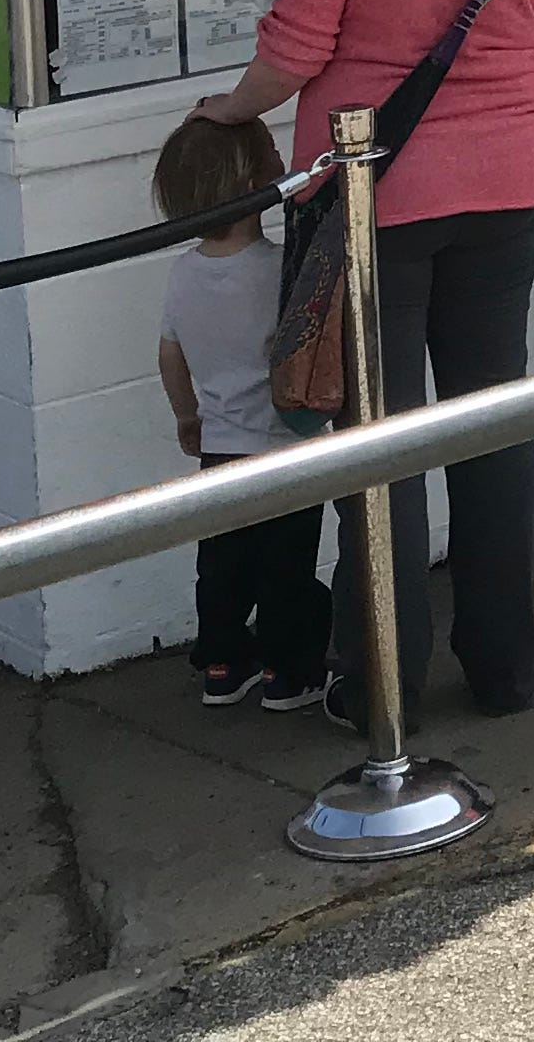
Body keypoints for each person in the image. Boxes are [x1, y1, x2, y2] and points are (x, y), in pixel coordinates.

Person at [192, 0, 534, 721]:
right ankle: (505, 670)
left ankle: (382, 687)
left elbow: (296, 49)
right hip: (506, 198)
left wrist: (229, 110)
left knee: (381, 449)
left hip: (373, 205)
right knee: (494, 430)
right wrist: (522, 164)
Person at [151, 112, 331, 711]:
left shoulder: (183, 274)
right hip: (285, 448)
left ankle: (223, 664)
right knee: (286, 568)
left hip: (220, 448)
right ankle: (289, 671)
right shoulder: (280, 270)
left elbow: (170, 355)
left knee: (222, 567)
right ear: (258, 186)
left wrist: (187, 417)